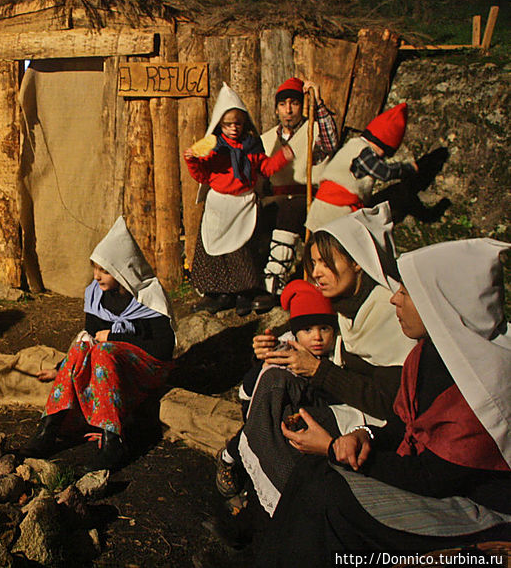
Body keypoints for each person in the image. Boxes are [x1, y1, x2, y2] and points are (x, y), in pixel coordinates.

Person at [255, 238, 511, 567]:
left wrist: (334, 448)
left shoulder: (482, 383)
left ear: (440, 302)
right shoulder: (427, 353)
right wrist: (363, 436)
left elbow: (433, 477)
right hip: (429, 480)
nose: (394, 298)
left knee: (330, 495)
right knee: (313, 469)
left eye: (406, 292)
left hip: (480, 513)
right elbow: (402, 423)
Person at [242, 202, 416, 516]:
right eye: (313, 262)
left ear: (358, 261)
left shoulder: (391, 314)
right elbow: (306, 336)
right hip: (340, 404)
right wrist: (272, 346)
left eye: (327, 262)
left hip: (374, 426)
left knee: (272, 423)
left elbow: (389, 404)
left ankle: (294, 509)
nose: (317, 272)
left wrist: (319, 370)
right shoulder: (342, 304)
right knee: (273, 382)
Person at [23, 216, 175, 470]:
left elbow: (162, 349)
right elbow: (90, 334)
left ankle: (112, 440)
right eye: (95, 268)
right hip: (110, 359)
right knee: (84, 344)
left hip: (148, 367)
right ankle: (48, 428)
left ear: (122, 269)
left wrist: (115, 338)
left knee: (102, 350)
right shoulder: (96, 293)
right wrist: (62, 368)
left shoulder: (148, 297)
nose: (97, 276)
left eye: (104, 270)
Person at [215, 278, 339, 500]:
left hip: (307, 415)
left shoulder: (336, 358)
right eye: (308, 329)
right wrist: (262, 362)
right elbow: (253, 389)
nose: (317, 337)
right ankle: (229, 457)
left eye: (324, 328)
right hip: (269, 410)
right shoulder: (284, 350)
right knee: (257, 431)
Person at [184, 83, 294, 316]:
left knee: (241, 251)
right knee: (214, 253)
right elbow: (202, 175)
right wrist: (192, 160)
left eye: (238, 123)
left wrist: (282, 158)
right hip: (218, 205)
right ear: (220, 124)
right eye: (228, 124)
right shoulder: (214, 148)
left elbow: (265, 167)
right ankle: (219, 294)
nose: (233, 129)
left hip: (242, 204)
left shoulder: (251, 145)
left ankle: (244, 292)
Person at [254, 78, 340, 312]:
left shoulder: (314, 131)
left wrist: (318, 102)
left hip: (308, 199)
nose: (288, 109)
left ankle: (274, 280)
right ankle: (248, 282)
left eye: (294, 103)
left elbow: (331, 143)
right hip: (275, 199)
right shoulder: (266, 138)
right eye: (283, 104)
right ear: (276, 108)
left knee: (290, 209)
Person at [306, 103, 417, 232]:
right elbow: (384, 172)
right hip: (334, 209)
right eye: (384, 152)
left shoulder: (353, 145)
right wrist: (408, 168)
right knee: (333, 247)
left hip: (325, 207)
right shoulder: (364, 152)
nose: (382, 157)